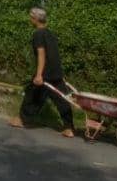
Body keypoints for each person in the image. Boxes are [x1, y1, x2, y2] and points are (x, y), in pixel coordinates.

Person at [9, 7, 75, 138]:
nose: (30, 19)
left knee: (32, 94)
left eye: (30, 16)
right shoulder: (50, 33)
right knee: (62, 99)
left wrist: (39, 74)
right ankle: (69, 128)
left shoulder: (38, 34)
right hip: (56, 72)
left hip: (46, 72)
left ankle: (23, 120)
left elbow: (41, 54)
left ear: (35, 19)